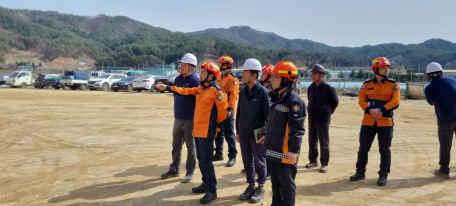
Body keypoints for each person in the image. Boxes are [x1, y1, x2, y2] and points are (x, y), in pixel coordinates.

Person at [155, 61, 228, 204]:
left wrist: (215, 126)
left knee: (207, 162)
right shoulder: (201, 88)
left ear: (212, 75)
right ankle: (205, 183)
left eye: (204, 72)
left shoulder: (218, 92)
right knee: (201, 160)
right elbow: (186, 91)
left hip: (207, 132)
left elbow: (223, 114)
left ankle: (212, 191)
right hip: (197, 131)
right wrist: (168, 87)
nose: (201, 75)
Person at [350, 57, 400, 186]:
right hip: (368, 122)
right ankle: (360, 171)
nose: (387, 70)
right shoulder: (366, 84)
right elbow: (361, 100)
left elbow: (395, 101)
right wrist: (370, 110)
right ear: (376, 69)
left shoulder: (393, 84)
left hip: (386, 122)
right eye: (384, 68)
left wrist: (382, 110)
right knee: (363, 148)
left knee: (384, 149)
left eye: (387, 68)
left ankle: (383, 173)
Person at [261, 61, 306, 206]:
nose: (271, 79)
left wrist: (293, 150)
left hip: (286, 152)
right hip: (273, 149)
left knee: (286, 185)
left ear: (286, 80)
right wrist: (266, 135)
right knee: (275, 183)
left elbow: (297, 129)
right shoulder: (276, 97)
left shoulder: (294, 101)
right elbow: (273, 122)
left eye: (275, 77)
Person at [160, 53, 199, 183]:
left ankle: (190, 171)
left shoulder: (195, 81)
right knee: (176, 145)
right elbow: (176, 95)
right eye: (181, 64)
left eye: (184, 65)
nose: (181, 66)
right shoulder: (177, 79)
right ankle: (174, 169)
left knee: (190, 146)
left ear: (191, 67)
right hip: (178, 117)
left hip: (190, 119)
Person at [235, 58, 270, 203]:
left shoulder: (263, 93)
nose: (242, 75)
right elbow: (239, 113)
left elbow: (269, 116)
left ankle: (260, 187)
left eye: (245, 72)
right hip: (243, 133)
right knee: (247, 162)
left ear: (254, 75)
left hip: (258, 134)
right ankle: (250, 186)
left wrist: (266, 133)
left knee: (259, 162)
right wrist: (237, 130)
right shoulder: (243, 92)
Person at [424, 62, 456, 179]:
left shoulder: (429, 88)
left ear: (429, 75)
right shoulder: (452, 80)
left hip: (445, 120)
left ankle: (444, 170)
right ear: (442, 72)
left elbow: (432, 102)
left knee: (445, 146)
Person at [305, 64, 339, 173]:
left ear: (321, 75)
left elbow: (335, 102)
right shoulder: (310, 88)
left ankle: (324, 163)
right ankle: (313, 161)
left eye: (315, 73)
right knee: (312, 140)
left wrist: (328, 111)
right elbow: (309, 99)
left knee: (324, 142)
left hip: (323, 119)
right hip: (312, 118)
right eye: (312, 73)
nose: (313, 75)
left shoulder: (329, 88)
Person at [214, 55, 239, 167]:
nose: (219, 65)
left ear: (226, 65)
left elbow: (233, 95)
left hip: (227, 110)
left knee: (229, 134)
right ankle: (219, 153)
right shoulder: (220, 77)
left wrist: (230, 108)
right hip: (218, 110)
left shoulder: (232, 79)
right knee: (218, 132)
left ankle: (232, 156)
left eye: (221, 63)